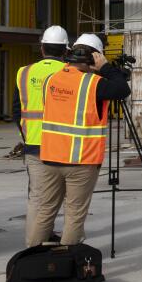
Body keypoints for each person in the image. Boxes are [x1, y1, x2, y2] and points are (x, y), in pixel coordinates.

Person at [29, 33, 131, 247]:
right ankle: (67, 263)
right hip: (81, 161)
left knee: (45, 211)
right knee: (74, 214)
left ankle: (32, 257)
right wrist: (106, 69)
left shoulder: (51, 80)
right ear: (94, 58)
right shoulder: (94, 83)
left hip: (49, 158)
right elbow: (122, 89)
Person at [13, 25, 70, 245]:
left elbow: (17, 110)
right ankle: (50, 237)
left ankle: (34, 242)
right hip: (63, 144)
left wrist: (27, 134)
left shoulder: (23, 72)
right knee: (61, 196)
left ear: (42, 48)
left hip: (34, 144)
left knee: (37, 198)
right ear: (65, 50)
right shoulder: (69, 73)